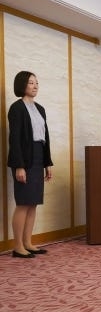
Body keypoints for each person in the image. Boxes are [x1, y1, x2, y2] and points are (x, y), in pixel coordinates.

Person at [7, 71, 53, 258]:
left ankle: (28, 242)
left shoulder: (40, 109)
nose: (35, 86)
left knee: (33, 203)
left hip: (38, 156)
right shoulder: (16, 108)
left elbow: (45, 137)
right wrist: (19, 166)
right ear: (22, 85)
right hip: (24, 159)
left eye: (36, 83)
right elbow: (15, 139)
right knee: (23, 203)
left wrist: (47, 163)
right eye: (31, 82)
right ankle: (17, 246)